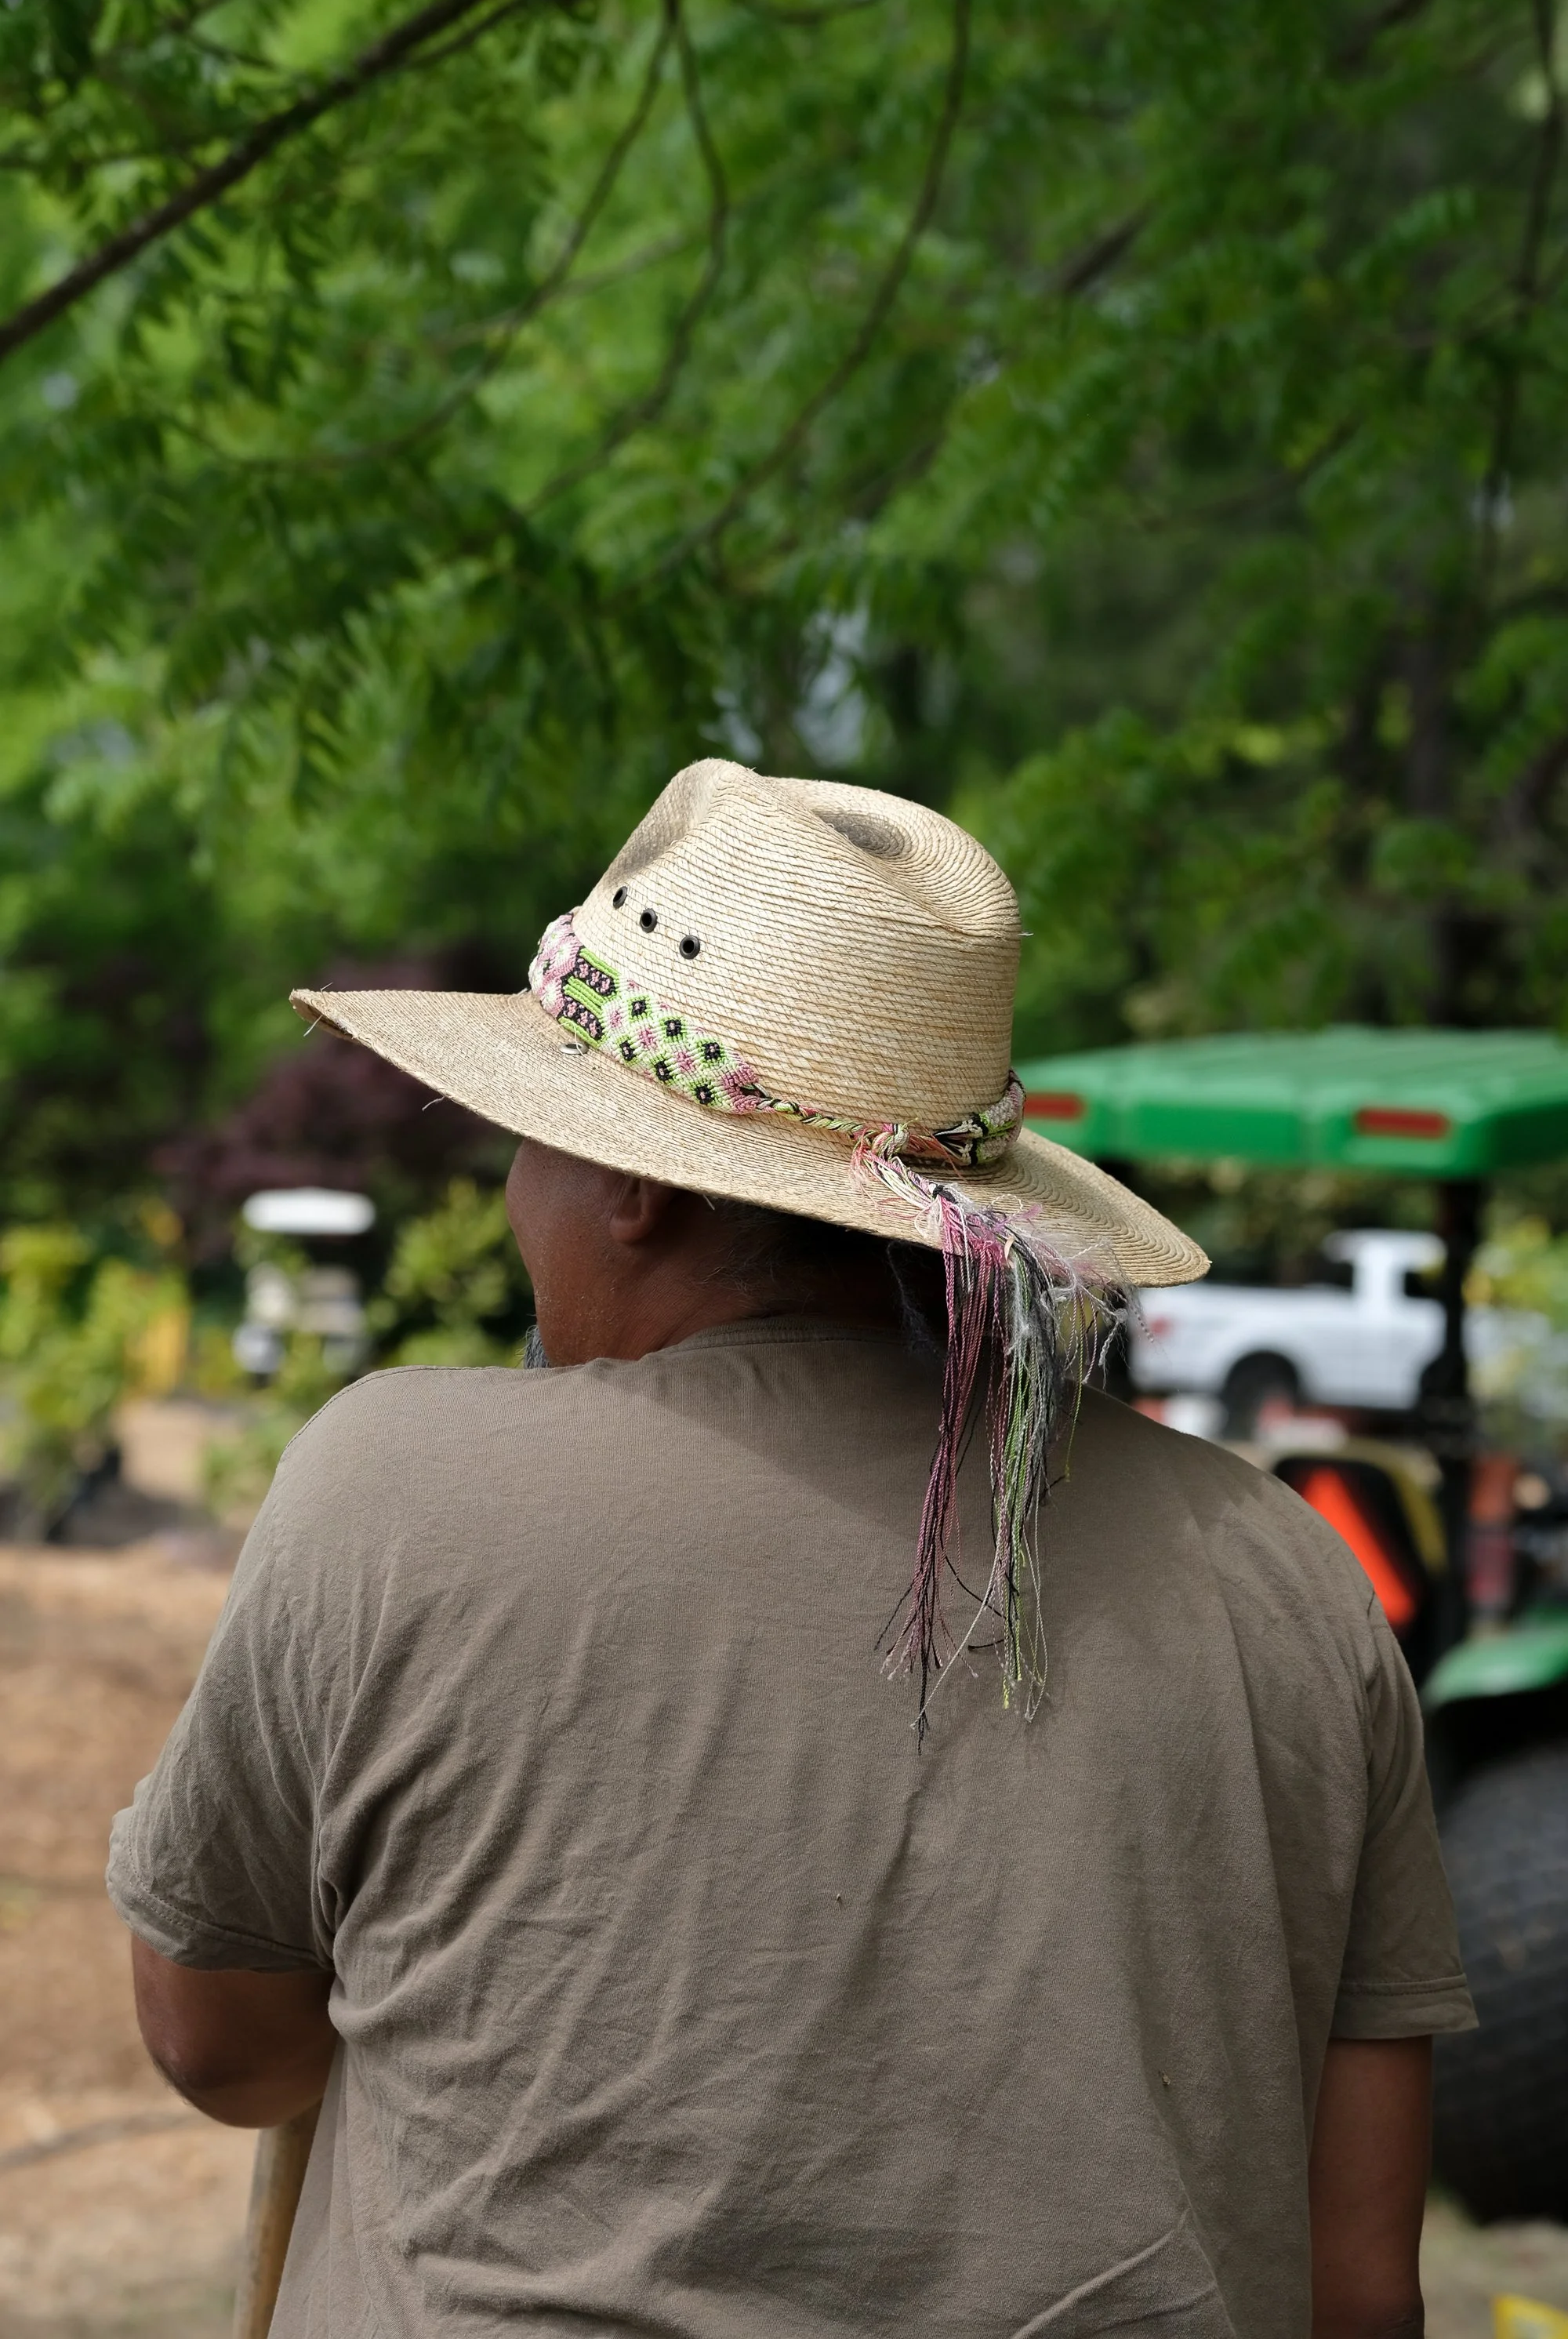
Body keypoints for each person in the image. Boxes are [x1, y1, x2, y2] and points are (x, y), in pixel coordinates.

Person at [111, 761, 1472, 2339]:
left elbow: (217, 2040)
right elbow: (1363, 2288)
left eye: (528, 1139)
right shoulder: (1287, 1582)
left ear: (629, 1185)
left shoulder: (391, 1489)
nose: (510, 1192)